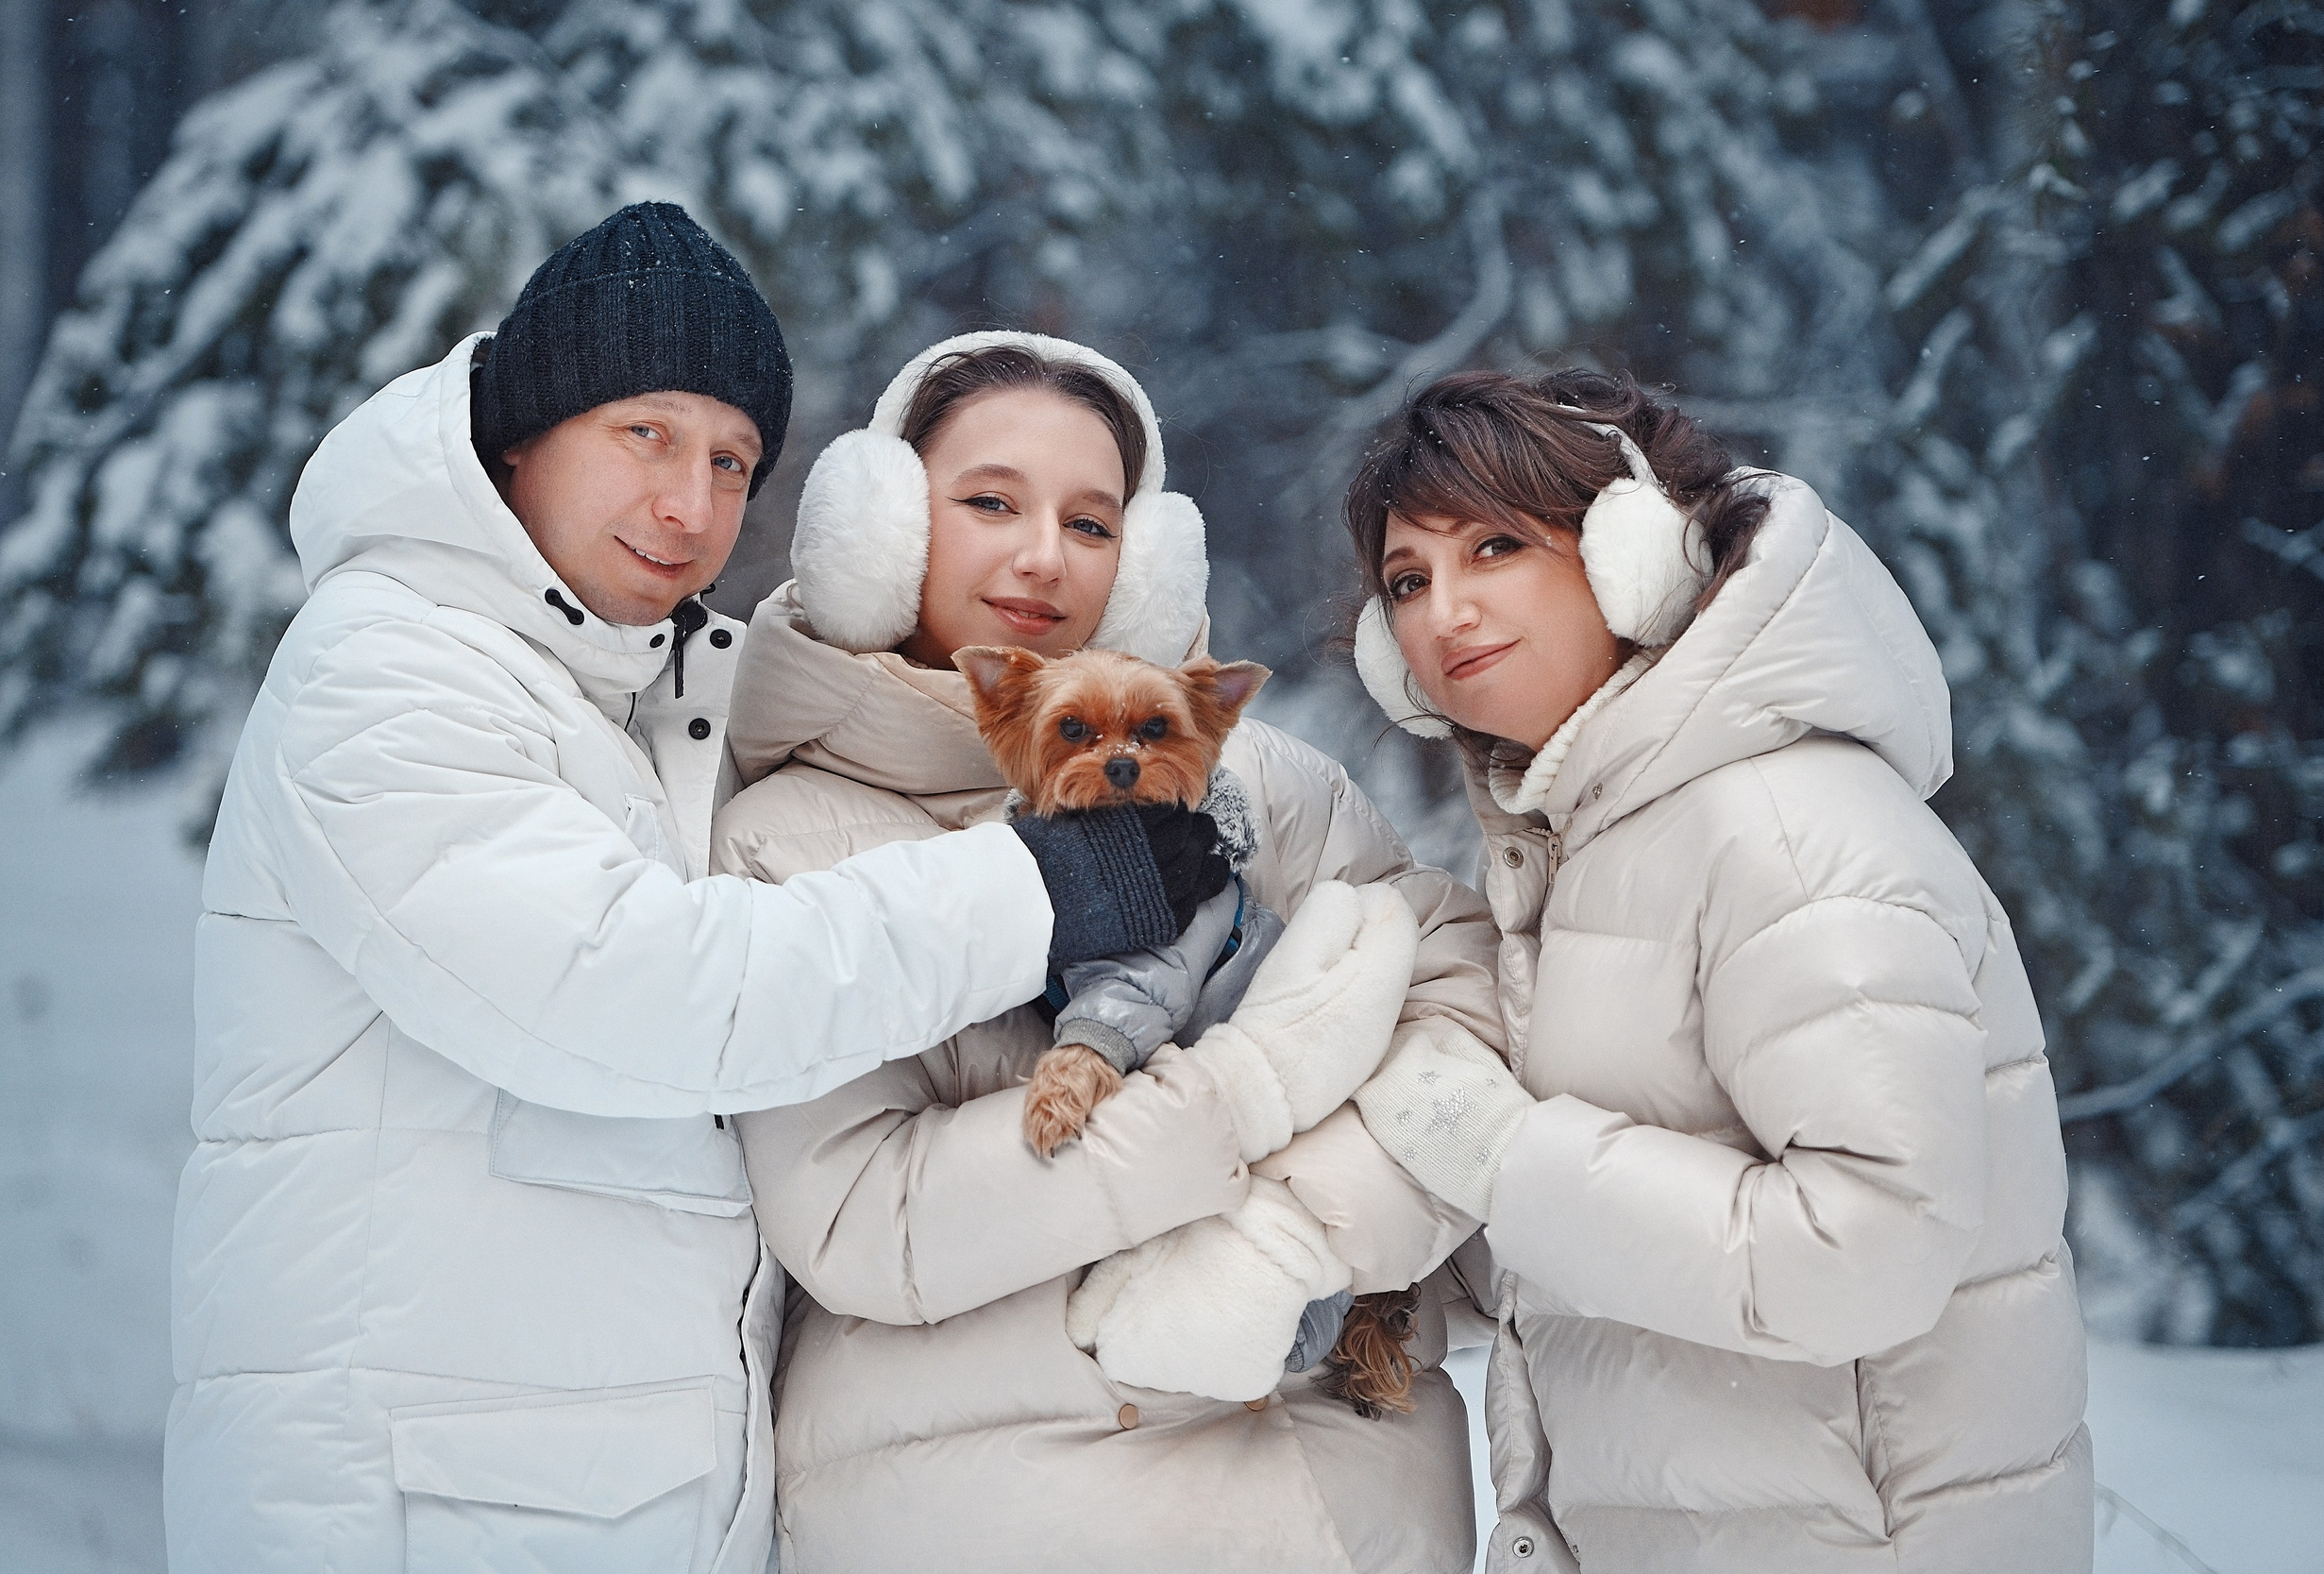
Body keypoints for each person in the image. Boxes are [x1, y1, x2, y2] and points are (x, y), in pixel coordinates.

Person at [164, 209, 1221, 1574]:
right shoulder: (389, 667)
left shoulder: (642, 694)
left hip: (596, 1491)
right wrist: (1039, 891)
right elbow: (628, 988)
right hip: (409, 1498)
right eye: (646, 434)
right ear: (517, 435)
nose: (692, 504)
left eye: (732, 460)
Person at [713, 332, 1506, 1573]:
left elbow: (1462, 1003)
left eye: (1091, 522)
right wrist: (1231, 1100)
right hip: (1017, 1517)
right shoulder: (785, 846)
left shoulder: (1259, 784)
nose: (1043, 555)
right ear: (878, 527)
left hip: (1354, 1518)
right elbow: (872, 1216)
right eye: (989, 502)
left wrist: (1305, 1227)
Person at [1340, 369, 2094, 1572]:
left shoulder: (1782, 831)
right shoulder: (1601, 843)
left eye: (1495, 547)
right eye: (1408, 581)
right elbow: (1617, 1233)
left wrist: (1495, 1152)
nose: (1446, 612)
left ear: (1633, 555)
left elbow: (1865, 1251)